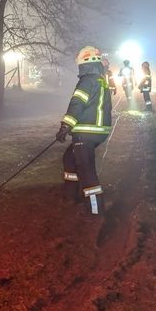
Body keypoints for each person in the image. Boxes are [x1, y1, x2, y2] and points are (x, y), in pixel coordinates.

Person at [56, 46, 113, 215]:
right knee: (69, 158)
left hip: (86, 132)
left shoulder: (87, 80)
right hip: (97, 131)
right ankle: (70, 195)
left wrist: (65, 125)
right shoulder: (100, 79)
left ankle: (95, 210)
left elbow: (77, 104)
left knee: (85, 168)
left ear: (84, 64)